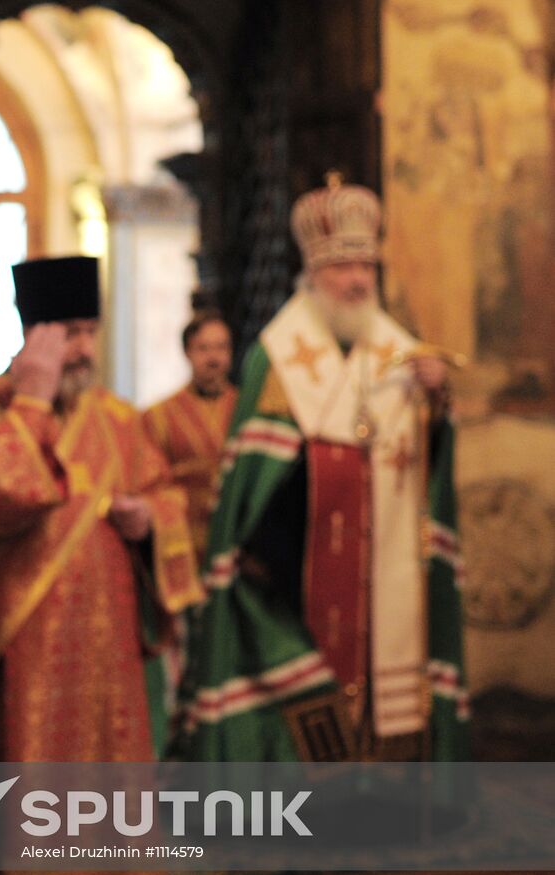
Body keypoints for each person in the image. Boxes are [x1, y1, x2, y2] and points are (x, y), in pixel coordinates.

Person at [0, 255, 203, 875]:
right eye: (66, 332)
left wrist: (155, 523)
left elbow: (174, 501)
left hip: (109, 679)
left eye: (90, 331)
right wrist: (34, 399)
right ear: (32, 333)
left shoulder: (119, 420)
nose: (82, 347)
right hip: (17, 679)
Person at [185, 180, 468, 762]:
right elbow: (254, 483)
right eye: (341, 266)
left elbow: (428, 469)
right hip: (295, 566)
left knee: (380, 666)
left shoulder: (399, 353)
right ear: (313, 274)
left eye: (365, 263)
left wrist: (435, 405)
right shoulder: (277, 356)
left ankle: (380, 795)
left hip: (381, 567)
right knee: (305, 682)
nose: (358, 278)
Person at [142, 308, 239, 564]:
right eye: (203, 348)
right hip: (182, 544)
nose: (213, 358)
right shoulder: (158, 416)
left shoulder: (245, 411)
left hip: (236, 543)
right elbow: (149, 483)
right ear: (187, 352)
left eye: (221, 348)